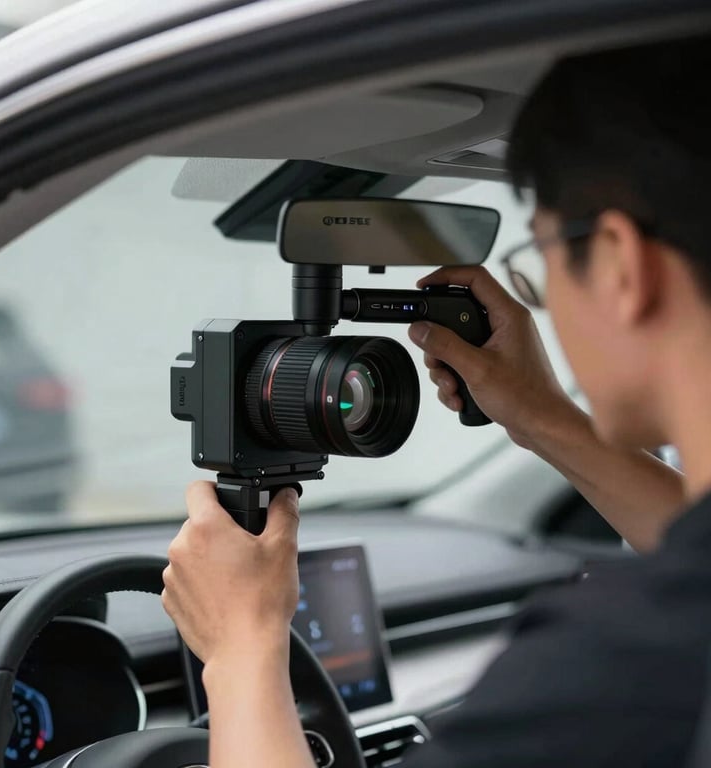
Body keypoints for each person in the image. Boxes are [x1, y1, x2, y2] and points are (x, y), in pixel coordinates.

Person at [161, 35, 711, 768]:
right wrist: (541, 415)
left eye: (539, 263)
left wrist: (239, 651)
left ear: (618, 266)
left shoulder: (624, 663)